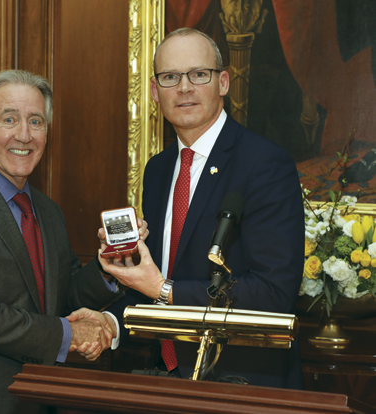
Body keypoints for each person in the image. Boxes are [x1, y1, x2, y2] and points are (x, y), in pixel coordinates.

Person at [0, 69, 146, 414]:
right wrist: (69, 336)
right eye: (10, 119)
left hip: (40, 398)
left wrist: (108, 268)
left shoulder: (49, 212)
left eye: (36, 122)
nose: (24, 135)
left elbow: (64, 293)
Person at [94, 28, 305, 388]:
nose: (184, 88)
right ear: (154, 91)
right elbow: (161, 274)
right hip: (166, 378)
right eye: (170, 77)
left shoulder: (265, 164)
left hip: (242, 384)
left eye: (199, 74)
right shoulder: (159, 170)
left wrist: (163, 289)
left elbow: (273, 293)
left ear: (223, 82)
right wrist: (108, 320)